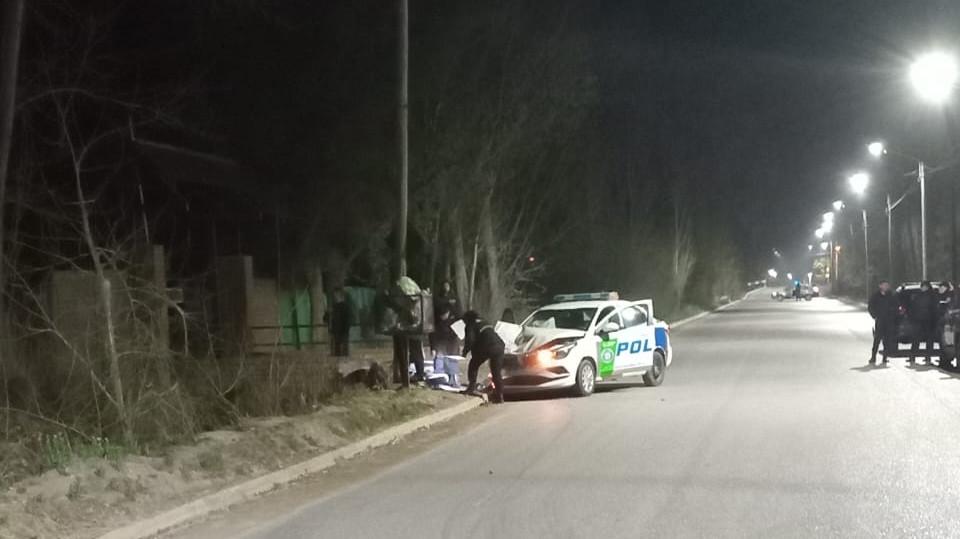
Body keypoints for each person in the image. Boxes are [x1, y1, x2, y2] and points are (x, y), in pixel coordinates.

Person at [462, 310, 506, 404]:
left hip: (487, 347)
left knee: (473, 365)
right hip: (499, 346)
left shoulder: (471, 325)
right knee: (496, 372)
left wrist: (464, 352)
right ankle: (499, 396)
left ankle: (471, 388)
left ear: (468, 319)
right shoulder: (485, 322)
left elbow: (470, 340)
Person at [867, 280, 898, 364]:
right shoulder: (875, 296)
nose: (886, 287)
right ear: (880, 286)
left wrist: (893, 315)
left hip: (889, 321)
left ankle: (885, 357)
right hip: (880, 320)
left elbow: (896, 306)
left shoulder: (891, 295)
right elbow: (870, 306)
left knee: (887, 340)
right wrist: (875, 316)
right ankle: (873, 357)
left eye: (887, 285)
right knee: (877, 339)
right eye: (884, 285)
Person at [909, 280, 939, 364]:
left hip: (928, 320)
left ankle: (927, 357)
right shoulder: (919, 295)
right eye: (922, 286)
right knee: (917, 339)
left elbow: (935, 309)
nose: (923, 288)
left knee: (927, 340)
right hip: (920, 320)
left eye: (924, 286)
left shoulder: (932, 296)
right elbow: (913, 307)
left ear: (927, 287)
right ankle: (913, 356)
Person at [329, 287, 352, 357]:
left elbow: (347, 319)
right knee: (337, 350)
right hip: (336, 331)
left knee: (344, 350)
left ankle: (343, 357)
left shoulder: (345, 307)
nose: (334, 297)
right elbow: (327, 318)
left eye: (336, 295)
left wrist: (346, 330)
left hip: (342, 331)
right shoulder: (334, 307)